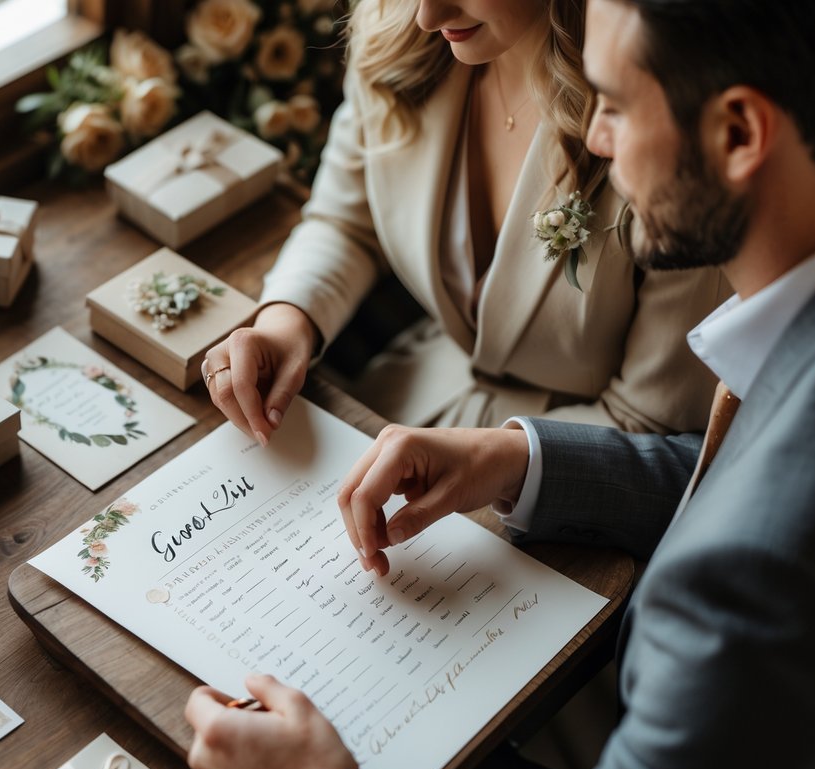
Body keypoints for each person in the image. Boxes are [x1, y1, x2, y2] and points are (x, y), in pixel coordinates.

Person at [185, 0, 815, 769]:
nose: (597, 141)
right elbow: (721, 466)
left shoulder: (744, 590)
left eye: (610, 103)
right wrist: (519, 461)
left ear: (737, 135)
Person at [202, 0, 728, 444]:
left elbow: (655, 419)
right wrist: (285, 323)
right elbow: (346, 222)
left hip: (574, 478)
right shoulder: (396, 33)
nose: (428, 16)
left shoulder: (663, 127)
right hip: (400, 404)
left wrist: (491, 463)